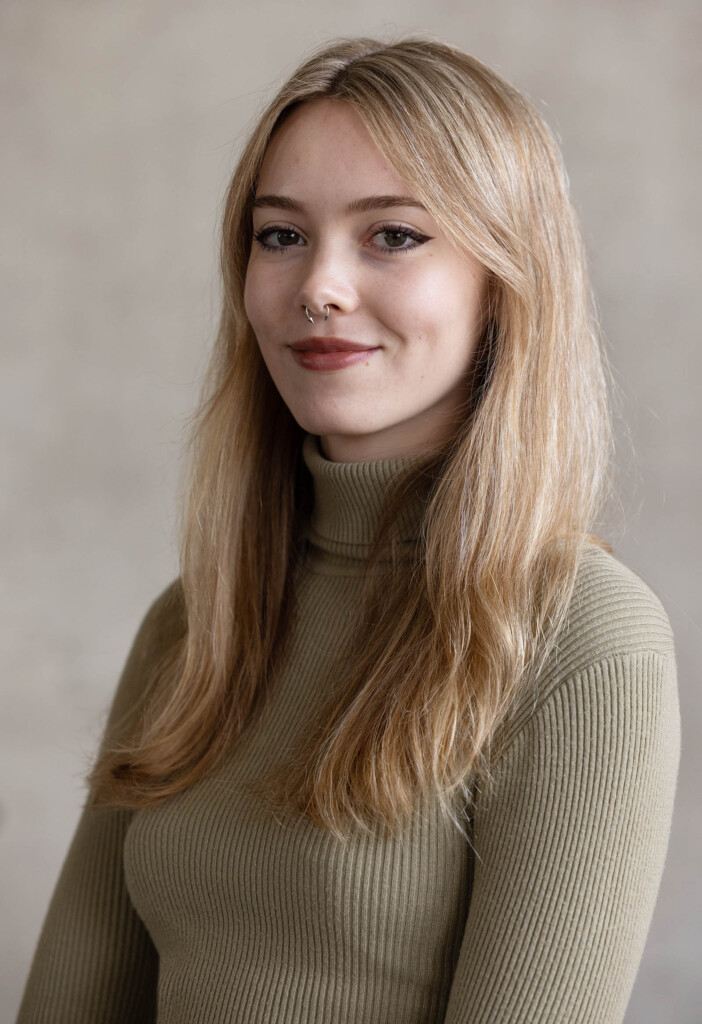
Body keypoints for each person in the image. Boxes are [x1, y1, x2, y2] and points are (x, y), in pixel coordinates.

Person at [16, 35, 680, 1024]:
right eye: (280, 235)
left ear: (504, 279)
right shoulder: (200, 618)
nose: (319, 286)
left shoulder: (586, 640)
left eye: (393, 236)